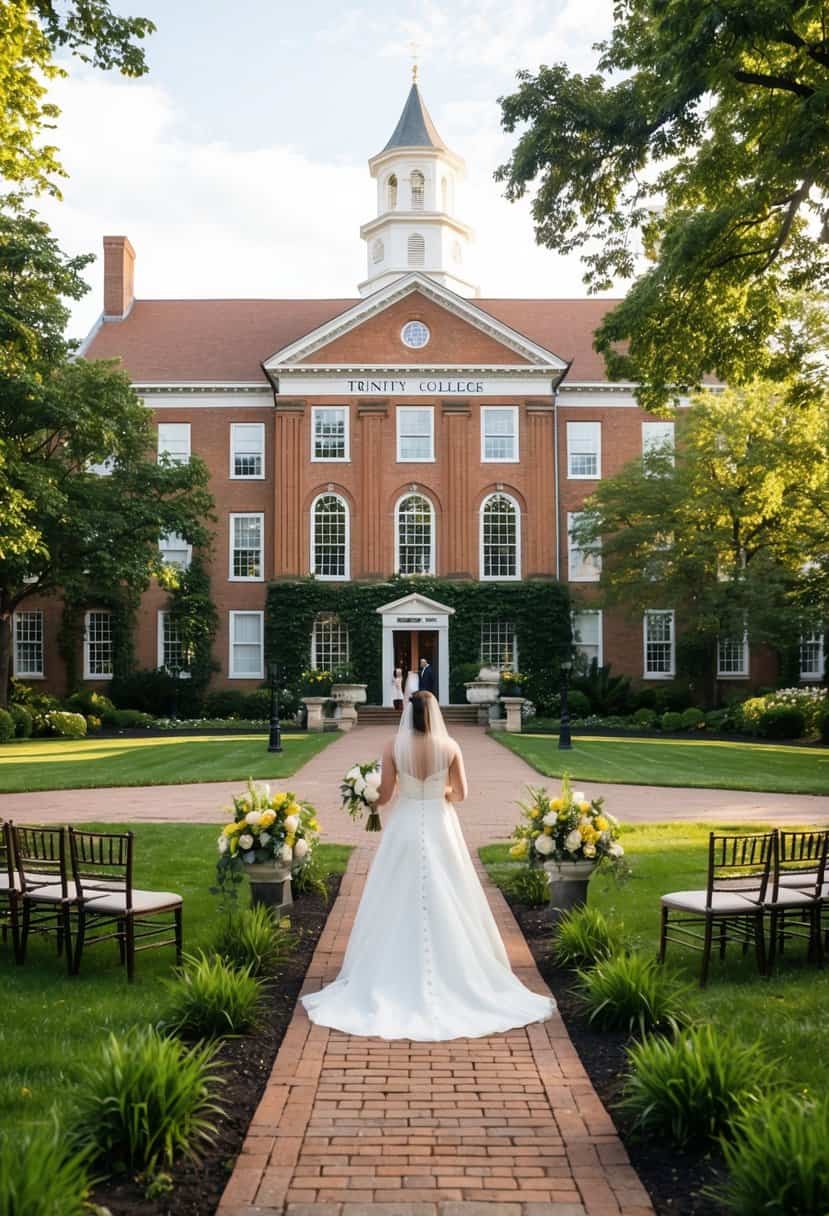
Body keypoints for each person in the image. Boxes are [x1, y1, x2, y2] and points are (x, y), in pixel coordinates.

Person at [301, 691, 554, 1040]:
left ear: (409, 713)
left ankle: (389, 968)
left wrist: (364, 794)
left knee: (395, 893)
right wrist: (442, 793)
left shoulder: (394, 746)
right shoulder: (450, 747)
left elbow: (386, 795)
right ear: (434, 713)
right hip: (439, 823)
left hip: (405, 824)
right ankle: (458, 970)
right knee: (450, 890)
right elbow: (462, 794)